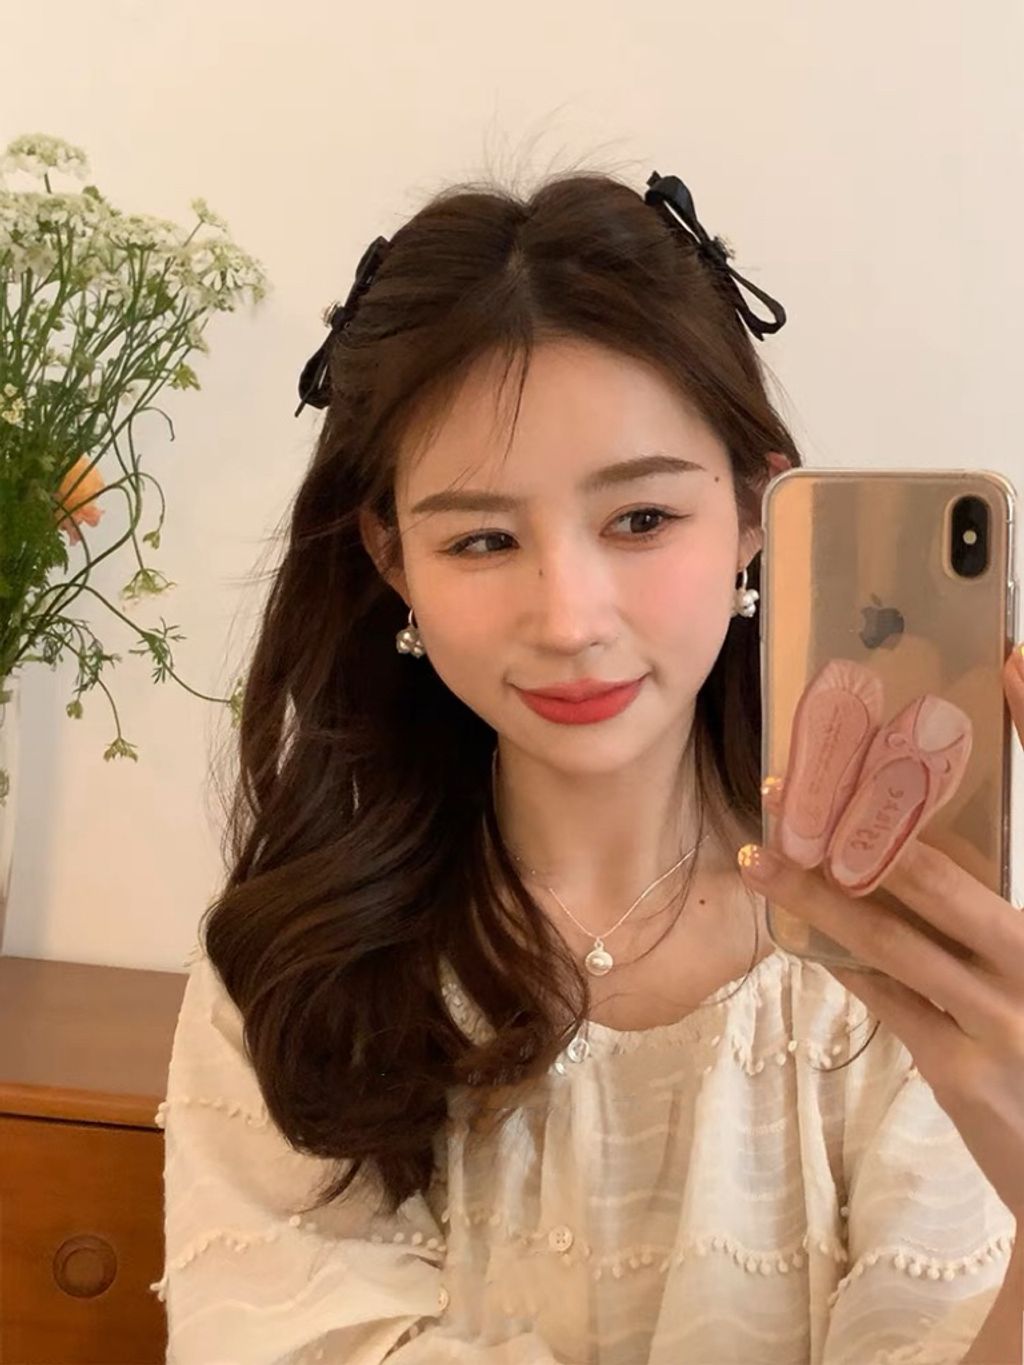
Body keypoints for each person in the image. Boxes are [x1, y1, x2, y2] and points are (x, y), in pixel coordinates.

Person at [151, 169, 1016, 1363]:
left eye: (640, 520)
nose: (568, 619)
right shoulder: (297, 967)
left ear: (755, 510)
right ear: (392, 559)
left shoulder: (896, 970)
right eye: (482, 539)